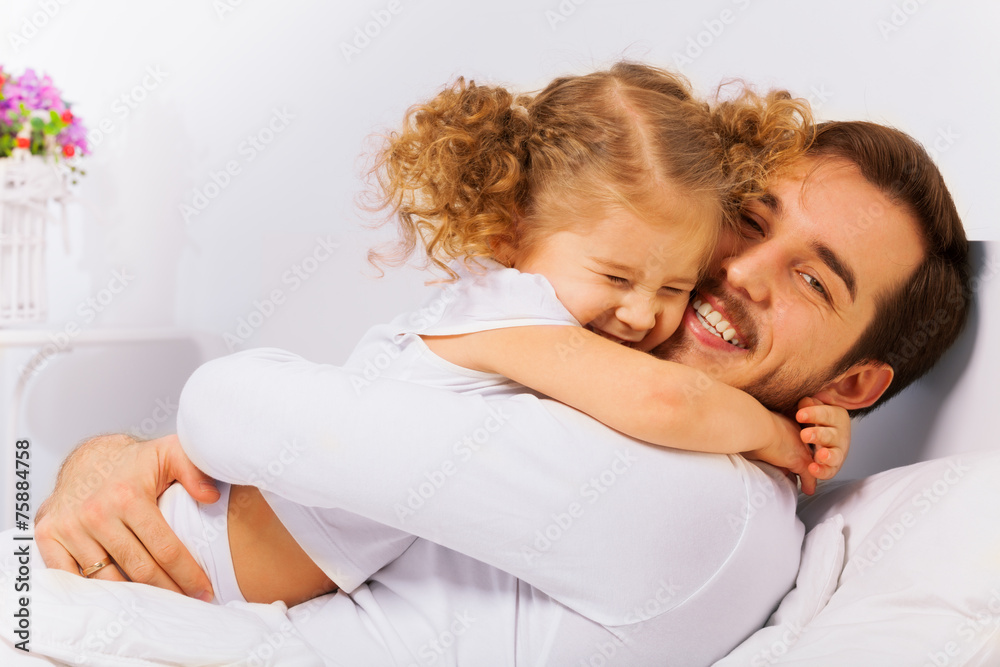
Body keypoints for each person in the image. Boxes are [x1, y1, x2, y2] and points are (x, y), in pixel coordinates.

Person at [32, 114, 970, 665]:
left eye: (815, 281)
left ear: (852, 380)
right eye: (749, 219)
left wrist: (138, 450)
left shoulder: (704, 502)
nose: (743, 271)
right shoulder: (584, 369)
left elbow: (235, 411)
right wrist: (98, 462)